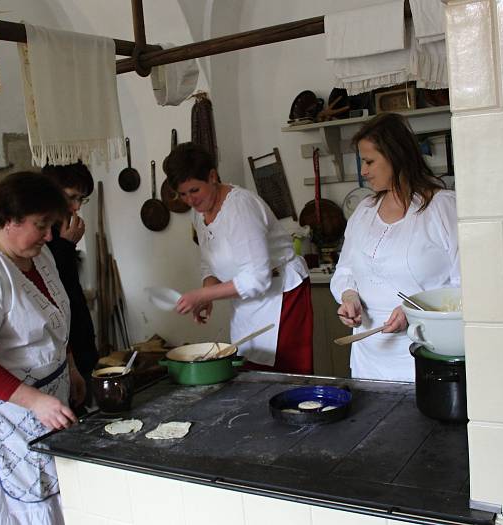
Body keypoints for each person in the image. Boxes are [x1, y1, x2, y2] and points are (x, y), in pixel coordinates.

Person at [0, 172, 86, 525]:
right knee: (21, 504)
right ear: (8, 220)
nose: (50, 235)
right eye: (42, 225)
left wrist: (70, 366)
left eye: (52, 225)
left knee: (53, 490)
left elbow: (52, 319)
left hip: (46, 396)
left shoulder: (38, 254)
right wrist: (36, 401)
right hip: (4, 408)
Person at [163, 142, 313, 374]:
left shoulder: (240, 208)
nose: (190, 200)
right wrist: (208, 291)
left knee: (286, 376)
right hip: (247, 304)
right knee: (248, 367)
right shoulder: (199, 212)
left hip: (282, 295)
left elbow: (257, 279)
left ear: (212, 176)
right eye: (182, 194)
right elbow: (209, 261)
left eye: (194, 191)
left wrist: (203, 294)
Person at [330, 113, 460, 382]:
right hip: (368, 357)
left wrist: (414, 311)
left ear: (396, 156)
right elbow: (345, 270)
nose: (363, 171)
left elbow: (466, 283)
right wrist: (349, 296)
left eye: (369, 161)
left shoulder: (442, 207)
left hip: (424, 350)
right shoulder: (364, 211)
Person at [42, 162, 98, 409]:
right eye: (71, 197)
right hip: (61, 351)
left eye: (81, 199)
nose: (76, 207)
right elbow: (51, 289)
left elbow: (69, 292)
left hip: (78, 343)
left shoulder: (61, 232)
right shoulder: (42, 238)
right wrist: (65, 247)